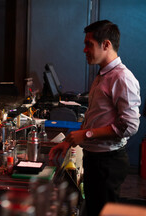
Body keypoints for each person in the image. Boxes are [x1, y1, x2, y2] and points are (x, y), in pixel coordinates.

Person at [49, 20, 141, 216]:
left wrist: (87, 135)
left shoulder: (122, 78)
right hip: (96, 159)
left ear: (106, 45)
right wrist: (69, 141)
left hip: (107, 162)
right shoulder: (103, 75)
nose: (84, 50)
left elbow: (130, 126)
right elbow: (94, 116)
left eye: (88, 44)